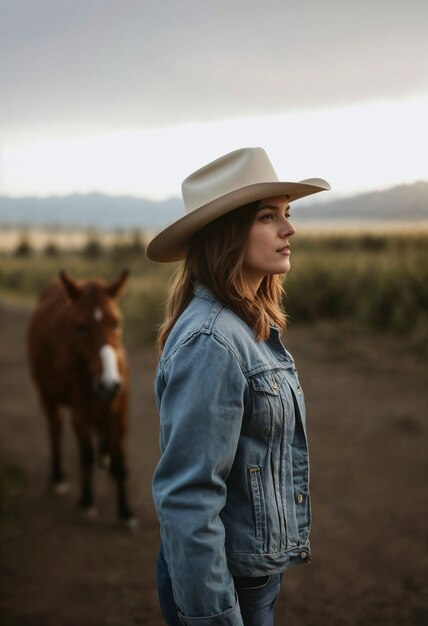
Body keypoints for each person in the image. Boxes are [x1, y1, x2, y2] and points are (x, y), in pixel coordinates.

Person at [146, 147, 330, 626]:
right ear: (228, 232)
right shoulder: (213, 342)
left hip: (252, 577)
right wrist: (215, 616)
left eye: (287, 214)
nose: (289, 229)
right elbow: (189, 496)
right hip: (223, 587)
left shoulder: (246, 327)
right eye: (269, 217)